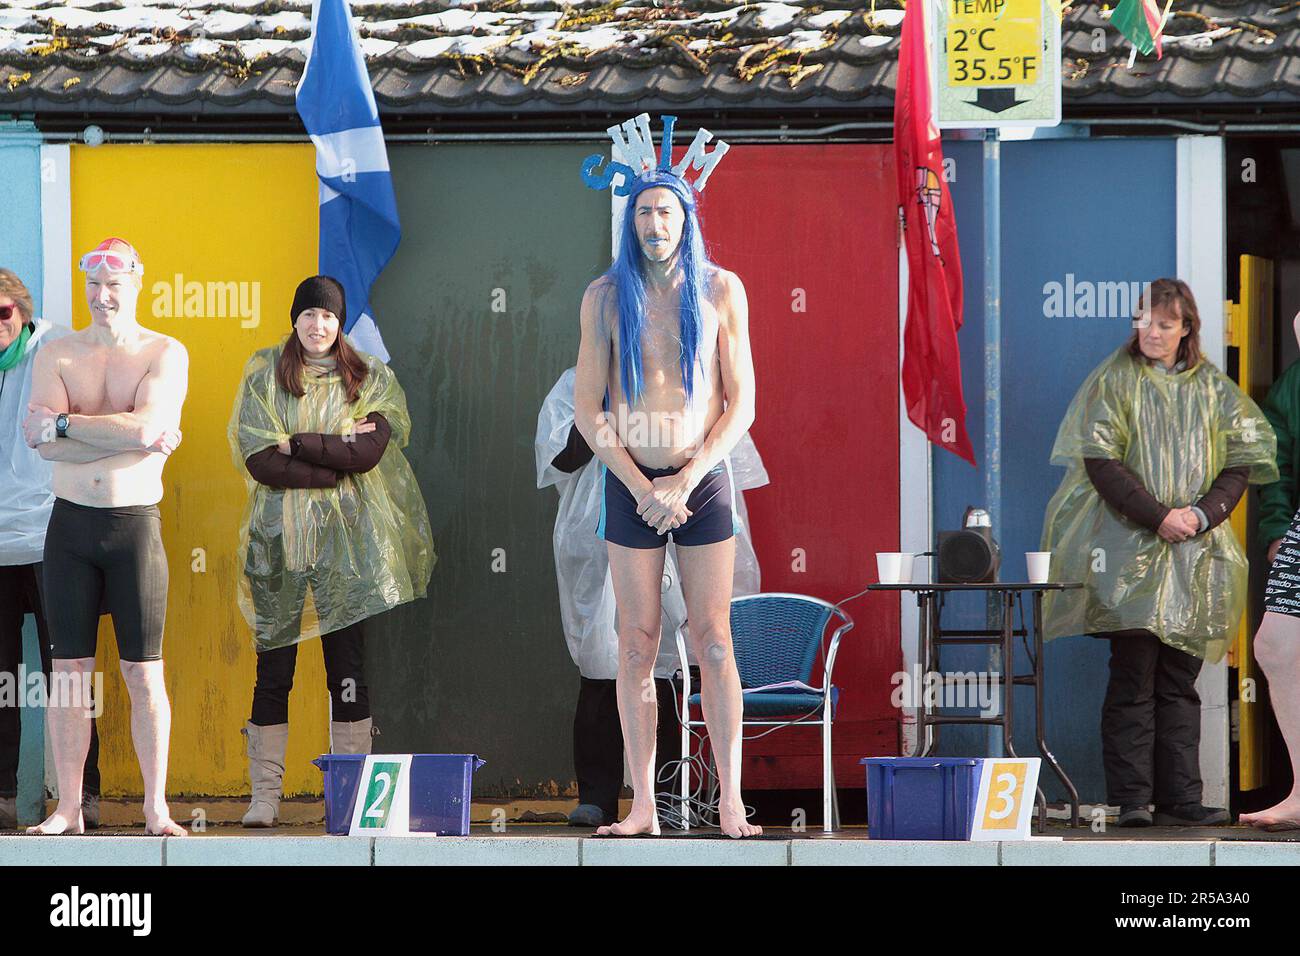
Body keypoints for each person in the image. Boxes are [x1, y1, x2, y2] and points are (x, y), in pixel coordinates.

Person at [573, 118, 759, 837]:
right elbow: (591, 410)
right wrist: (640, 481)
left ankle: (734, 801)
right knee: (636, 645)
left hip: (700, 481)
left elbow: (742, 404)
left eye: (667, 211)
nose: (656, 223)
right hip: (631, 483)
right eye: (645, 211)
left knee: (714, 640)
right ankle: (644, 804)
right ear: (631, 220)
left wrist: (687, 478)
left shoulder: (721, 291)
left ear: (687, 219)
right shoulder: (603, 297)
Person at [1041, 278, 1277, 828]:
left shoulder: (1214, 389)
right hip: (1129, 560)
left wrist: (1201, 515)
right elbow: (1101, 462)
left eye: (1165, 323)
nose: (1152, 331)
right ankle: (1134, 802)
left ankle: (1181, 800)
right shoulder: (1114, 382)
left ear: (1186, 328)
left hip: (1196, 559)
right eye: (1145, 320)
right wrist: (1161, 516)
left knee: (1180, 683)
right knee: (1133, 678)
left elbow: (1240, 459)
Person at [229, 275, 434, 828]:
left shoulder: (367, 377)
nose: (318, 326)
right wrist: (331, 458)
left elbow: (367, 452)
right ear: (294, 318)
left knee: (347, 671)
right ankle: (265, 796)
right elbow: (256, 457)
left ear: (339, 323)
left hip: (346, 551)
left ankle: (350, 794)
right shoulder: (263, 373)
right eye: (308, 315)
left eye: (328, 317)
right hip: (278, 548)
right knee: (274, 671)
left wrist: (295, 444)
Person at [536, 367, 768, 827]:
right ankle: (599, 795)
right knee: (611, 658)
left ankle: (671, 796)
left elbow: (728, 440)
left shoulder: (697, 374)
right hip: (605, 525)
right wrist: (610, 418)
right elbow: (557, 457)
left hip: (684, 510)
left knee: (683, 659)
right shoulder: (577, 381)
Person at [22, 238, 189, 836]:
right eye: (93, 285)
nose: (102, 296)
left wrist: (68, 423)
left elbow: (148, 427)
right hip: (69, 527)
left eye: (114, 285)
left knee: (144, 672)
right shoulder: (58, 353)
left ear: (137, 283)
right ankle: (68, 807)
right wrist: (127, 432)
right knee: (68, 671)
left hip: (134, 527)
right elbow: (39, 441)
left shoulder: (165, 352)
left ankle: (155, 807)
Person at [0, 269, 104, 830]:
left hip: (50, 534)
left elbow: (87, 429)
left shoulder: (58, 352)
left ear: (23, 312)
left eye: (3, 314)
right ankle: (3, 800)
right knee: (0, 681)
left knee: (69, 670)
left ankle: (83, 795)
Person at [1240, 311, 1300, 830]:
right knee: (1276, 645)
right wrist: (1278, 526)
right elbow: (1277, 457)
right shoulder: (1291, 385)